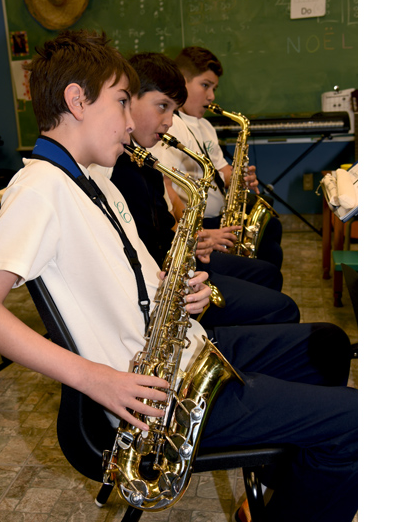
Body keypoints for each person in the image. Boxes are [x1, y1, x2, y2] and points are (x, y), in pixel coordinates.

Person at [0, 30, 357, 522]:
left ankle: (286, 495)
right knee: (357, 422)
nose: (130, 121)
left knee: (326, 346)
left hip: (185, 357)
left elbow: (136, 273)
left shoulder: (94, 178)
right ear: (76, 100)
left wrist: (178, 286)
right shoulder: (39, 189)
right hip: (159, 403)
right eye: (122, 102)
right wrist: (94, 378)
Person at [105, 51, 298, 327]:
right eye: (162, 106)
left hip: (179, 263)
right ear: (127, 100)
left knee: (269, 275)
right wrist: (194, 240)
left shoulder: (142, 159)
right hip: (168, 285)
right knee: (279, 302)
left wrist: (194, 239)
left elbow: (158, 228)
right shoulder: (123, 167)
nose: (170, 121)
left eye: (173, 110)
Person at [148, 46, 285, 268]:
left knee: (271, 231)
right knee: (267, 259)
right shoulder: (171, 127)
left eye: (214, 88)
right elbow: (167, 191)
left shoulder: (206, 125)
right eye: (205, 85)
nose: (211, 96)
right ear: (182, 81)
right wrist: (201, 233)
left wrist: (238, 177)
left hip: (221, 212)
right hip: (200, 220)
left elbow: (222, 170)